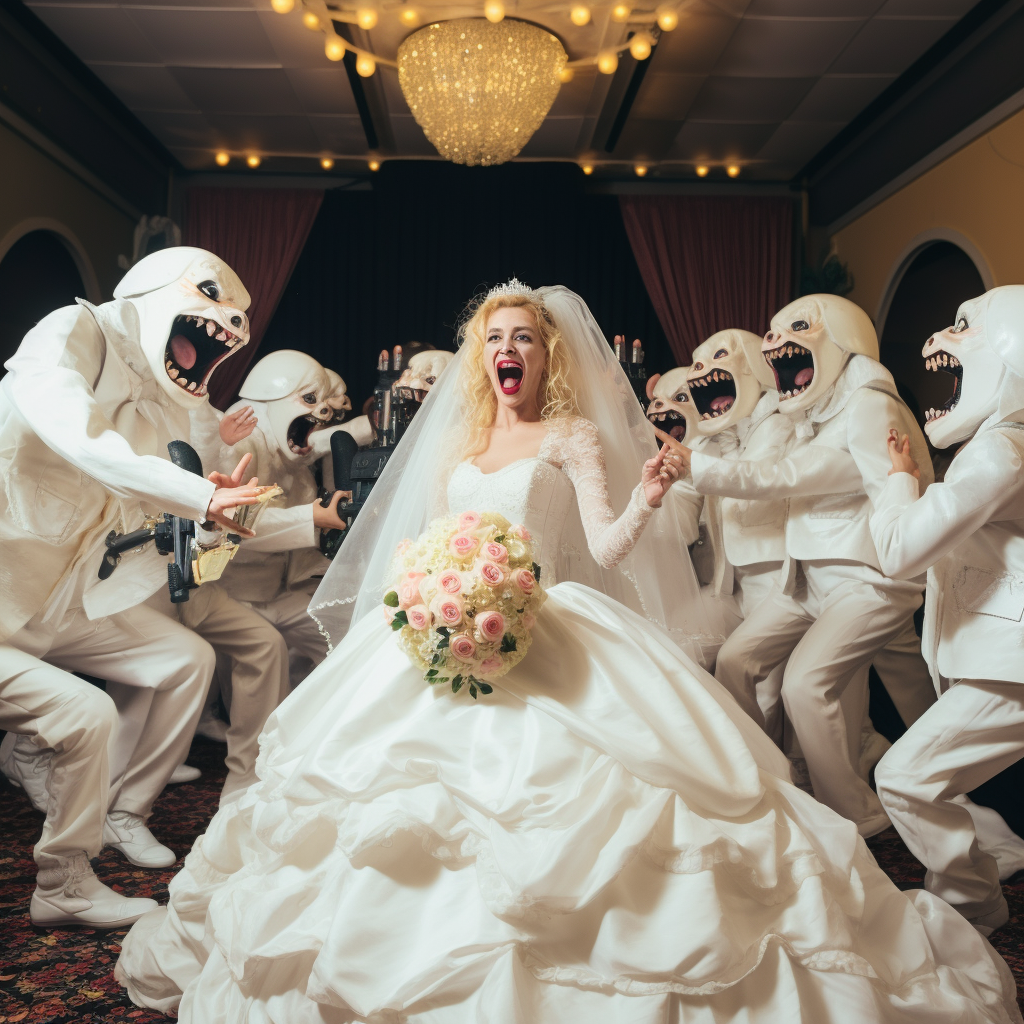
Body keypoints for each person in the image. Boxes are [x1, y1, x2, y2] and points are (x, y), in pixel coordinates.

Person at [115, 282, 1018, 1023]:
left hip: (547, 622)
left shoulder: (575, 436)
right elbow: (423, 539)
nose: (508, 349)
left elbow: (610, 542)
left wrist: (656, 486)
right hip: (436, 634)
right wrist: (427, 596)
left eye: (524, 338)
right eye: (495, 337)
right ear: (483, 356)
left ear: (546, 357)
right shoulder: (459, 442)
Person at [0, 246, 262, 924]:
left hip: (62, 605)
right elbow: (76, 435)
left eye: (240, 316)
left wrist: (209, 523)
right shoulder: (70, 331)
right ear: (149, 288)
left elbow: (150, 534)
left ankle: (124, 810)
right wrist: (200, 495)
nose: (231, 320)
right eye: (211, 295)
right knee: (87, 714)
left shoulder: (169, 412)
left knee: (186, 659)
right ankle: (61, 881)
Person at [871, 285, 1024, 935]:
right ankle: (991, 863)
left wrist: (895, 480)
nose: (937, 340)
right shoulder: (1002, 442)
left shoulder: (1000, 447)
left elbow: (899, 550)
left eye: (963, 327)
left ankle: (974, 904)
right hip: (995, 660)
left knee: (903, 778)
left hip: (1010, 666)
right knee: (928, 776)